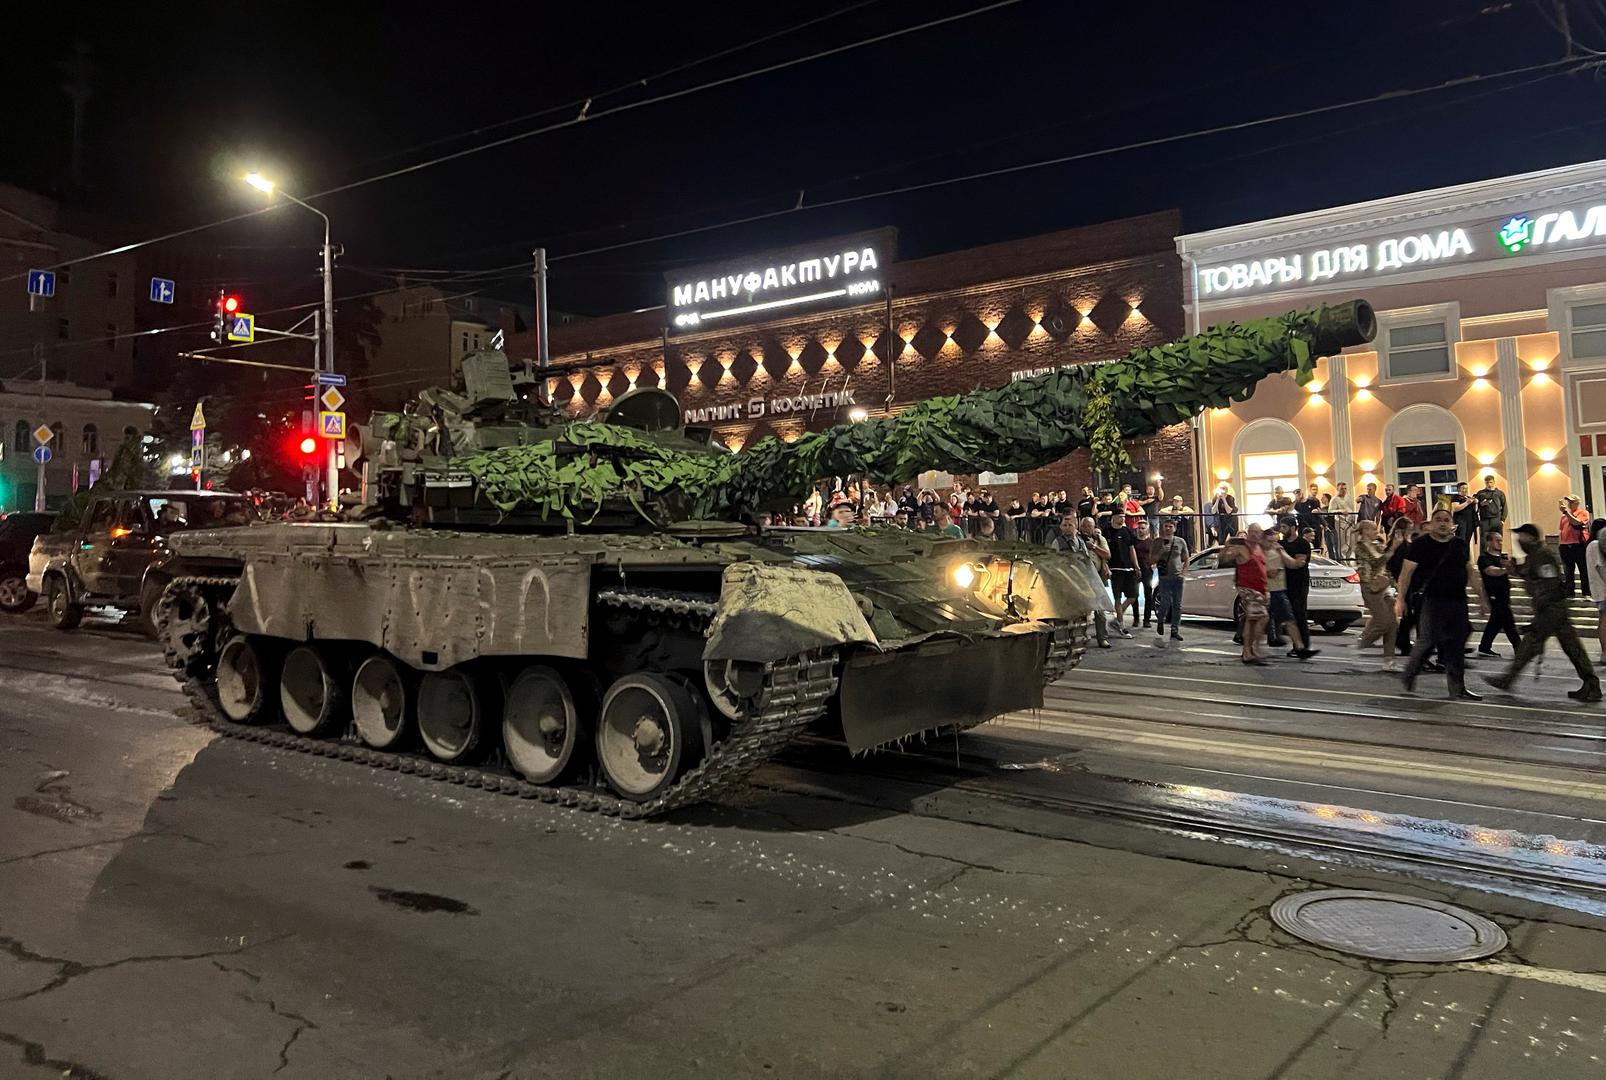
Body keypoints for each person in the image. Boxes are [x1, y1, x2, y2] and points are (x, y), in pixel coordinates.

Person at [1487, 523, 1601, 702]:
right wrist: (1516, 570)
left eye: (1522, 536)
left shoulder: (1542, 556)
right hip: (1551, 608)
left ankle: (1507, 679)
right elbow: (1533, 577)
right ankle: (1591, 685)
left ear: (1532, 538)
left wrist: (1541, 612)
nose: (1518, 540)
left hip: (1551, 608)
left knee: (1532, 642)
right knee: (1572, 647)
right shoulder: (1534, 556)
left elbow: (1549, 583)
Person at [1396, 507, 1486, 701]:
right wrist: (1400, 599)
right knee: (1428, 640)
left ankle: (1458, 688)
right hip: (1432, 601)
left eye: (1446, 520)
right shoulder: (1421, 545)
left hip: (1458, 601)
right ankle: (1410, 672)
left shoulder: (1460, 545)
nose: (1443, 523)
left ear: (1452, 524)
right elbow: (1406, 573)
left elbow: (1469, 571)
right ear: (1432, 523)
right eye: (1438, 520)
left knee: (1456, 644)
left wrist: (1481, 597)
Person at [1219, 525, 1270, 665]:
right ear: (1247, 533)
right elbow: (1223, 560)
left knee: (1252, 619)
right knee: (1261, 617)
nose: (1254, 535)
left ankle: (1248, 651)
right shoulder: (1241, 549)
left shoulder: (1260, 548)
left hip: (1260, 589)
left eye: (1257, 532)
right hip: (1248, 589)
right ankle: (1252, 649)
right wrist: (1226, 546)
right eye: (1252, 532)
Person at [1265, 521, 1317, 659]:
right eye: (1281, 527)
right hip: (1283, 585)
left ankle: (1302, 646)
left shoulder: (1302, 543)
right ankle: (1285, 642)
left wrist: (1295, 562)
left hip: (1299, 584)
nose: (1282, 530)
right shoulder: (1281, 544)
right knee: (1286, 616)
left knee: (1298, 614)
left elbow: (1298, 563)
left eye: (1285, 527)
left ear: (1293, 528)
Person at [1353, 519, 1398, 671]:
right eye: (1373, 530)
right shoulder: (1361, 548)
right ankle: (1362, 643)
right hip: (1370, 587)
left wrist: (1394, 583)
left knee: (1393, 623)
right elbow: (1376, 562)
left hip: (1383, 586)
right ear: (1365, 531)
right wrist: (1392, 550)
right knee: (1383, 622)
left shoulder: (1376, 546)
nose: (1376, 533)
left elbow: (1384, 567)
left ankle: (1389, 660)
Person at [1063, 516, 1112, 648]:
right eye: (1084, 526)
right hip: (1080, 579)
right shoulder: (1077, 539)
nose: (1086, 529)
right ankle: (1077, 637)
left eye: (1089, 526)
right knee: (1078, 611)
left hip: (1096, 578)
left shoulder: (1099, 539)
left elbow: (1107, 555)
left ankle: (1102, 638)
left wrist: (1094, 547)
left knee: (1100, 610)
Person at [1476, 531, 1520, 658]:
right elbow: (1491, 571)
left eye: (1501, 540)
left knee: (1496, 622)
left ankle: (1484, 647)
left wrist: (1513, 567)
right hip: (1494, 594)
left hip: (1504, 593)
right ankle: (1520, 648)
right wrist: (1505, 569)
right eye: (1497, 540)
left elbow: (1512, 572)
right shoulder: (1484, 558)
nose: (1500, 543)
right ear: (1489, 542)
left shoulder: (1502, 558)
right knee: (1508, 621)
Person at [1150, 516, 1189, 646]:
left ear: (1174, 528)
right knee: (1165, 602)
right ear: (1162, 528)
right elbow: (1151, 560)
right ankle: (1160, 619)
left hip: (1177, 577)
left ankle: (1174, 630)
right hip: (1164, 577)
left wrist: (1184, 572)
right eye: (1166, 526)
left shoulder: (1180, 542)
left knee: (1177, 604)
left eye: (1170, 526)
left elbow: (1186, 558)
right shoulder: (1157, 542)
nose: (1168, 529)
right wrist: (1161, 551)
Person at [1385, 517, 1419, 657]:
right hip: (1404, 581)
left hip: (1409, 581)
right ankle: (1402, 641)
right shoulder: (1399, 545)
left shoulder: (1405, 544)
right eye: (1409, 528)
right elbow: (1397, 565)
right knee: (1409, 613)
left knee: (1409, 614)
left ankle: (1403, 641)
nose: (1411, 530)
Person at [1104, 514, 1140, 636]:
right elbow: (1103, 551)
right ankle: (1121, 625)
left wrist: (1136, 566)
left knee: (1133, 596)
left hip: (1128, 568)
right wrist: (1106, 567)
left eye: (1124, 516)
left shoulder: (1127, 531)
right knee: (1117, 597)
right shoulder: (1107, 531)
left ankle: (1116, 617)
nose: (1123, 519)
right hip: (1115, 568)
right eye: (1120, 516)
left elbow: (1132, 549)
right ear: (1113, 517)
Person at [1559, 495, 1592, 597]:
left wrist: (1566, 513)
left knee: (1583, 569)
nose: (1569, 504)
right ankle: (1569, 592)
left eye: (1572, 502)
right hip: (1565, 545)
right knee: (1568, 570)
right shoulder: (1564, 517)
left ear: (1577, 503)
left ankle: (1586, 592)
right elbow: (1562, 530)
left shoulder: (1582, 513)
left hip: (1578, 545)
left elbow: (1577, 523)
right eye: (1568, 502)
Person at [1132, 518, 1156, 628]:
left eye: (1142, 528)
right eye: (1139, 528)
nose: (1140, 530)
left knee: (1148, 595)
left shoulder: (1151, 542)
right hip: (1136, 570)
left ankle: (1147, 619)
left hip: (1147, 570)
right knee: (1134, 595)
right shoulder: (1134, 542)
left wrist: (1154, 565)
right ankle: (1136, 618)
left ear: (1147, 530)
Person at [1474, 474, 1508, 549]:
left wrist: (1502, 520)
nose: (1489, 484)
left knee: (1497, 540)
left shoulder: (1499, 493)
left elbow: (1505, 506)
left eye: (1491, 482)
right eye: (1487, 483)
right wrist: (1481, 504)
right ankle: (1484, 558)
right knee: (1484, 541)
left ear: (1494, 482)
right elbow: (1475, 507)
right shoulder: (1480, 493)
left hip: (1497, 519)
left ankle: (1497, 558)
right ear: (1485, 483)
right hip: (1484, 520)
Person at [1589, 520, 1606, 663]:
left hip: (1598, 588)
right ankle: (1605, 652)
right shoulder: (1595, 545)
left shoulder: (1591, 546)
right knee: (1604, 620)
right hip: (1602, 589)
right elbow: (1600, 567)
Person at [1329, 481, 1354, 560]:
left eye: (1345, 489)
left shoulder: (1348, 497)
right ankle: (1342, 560)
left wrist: (1353, 520)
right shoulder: (1334, 499)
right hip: (1340, 523)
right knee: (1342, 543)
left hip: (1350, 523)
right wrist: (1340, 511)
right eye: (1342, 489)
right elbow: (1330, 511)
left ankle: (1348, 559)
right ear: (1337, 489)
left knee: (1350, 543)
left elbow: (1352, 509)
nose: (1344, 490)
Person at [1295, 484, 1323, 552]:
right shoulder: (1296, 504)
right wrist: (1296, 500)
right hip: (1303, 528)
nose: (1299, 495)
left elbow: (1319, 512)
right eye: (1296, 493)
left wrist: (1322, 523)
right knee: (1304, 546)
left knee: (1317, 546)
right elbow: (1290, 510)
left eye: (1299, 492)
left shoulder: (1313, 502)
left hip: (1314, 526)